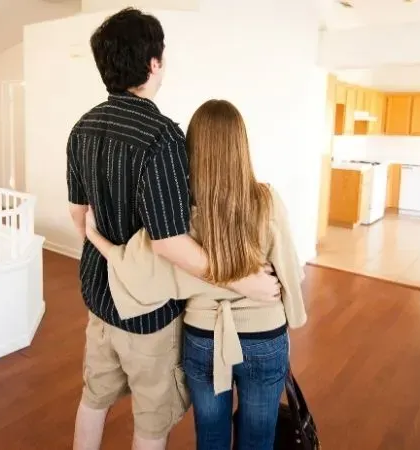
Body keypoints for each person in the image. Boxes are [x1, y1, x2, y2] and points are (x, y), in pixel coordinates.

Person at [66, 9, 282, 450]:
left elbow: (79, 215)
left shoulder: (82, 128)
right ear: (153, 63)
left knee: (93, 399)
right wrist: (246, 280)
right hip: (145, 312)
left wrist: (99, 240)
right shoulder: (161, 137)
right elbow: (168, 243)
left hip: (98, 299)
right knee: (151, 421)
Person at [83, 99, 308, 450]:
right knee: (259, 440)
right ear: (241, 145)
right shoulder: (266, 200)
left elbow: (135, 266)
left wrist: (94, 236)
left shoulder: (178, 214)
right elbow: (291, 272)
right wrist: (293, 315)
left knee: (211, 438)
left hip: (202, 339)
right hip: (265, 338)